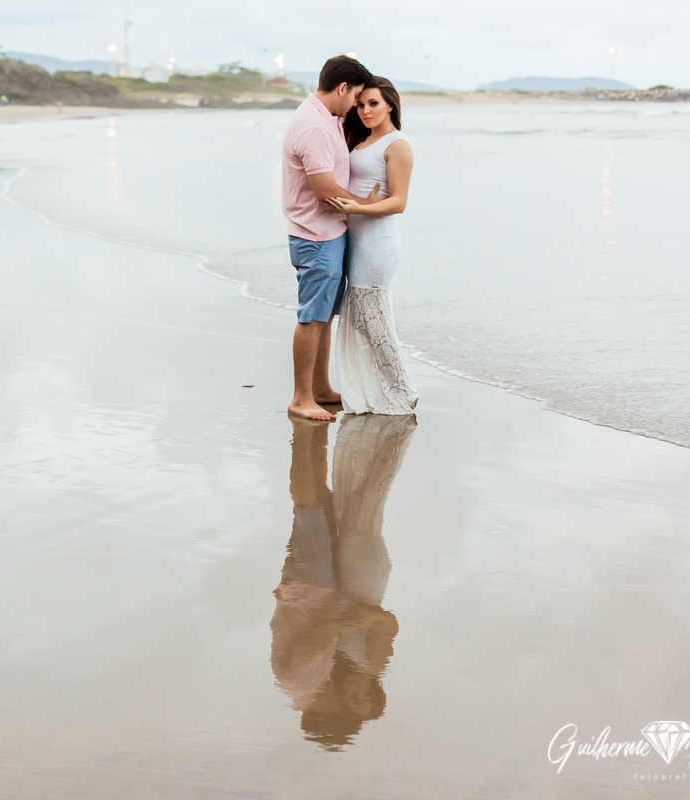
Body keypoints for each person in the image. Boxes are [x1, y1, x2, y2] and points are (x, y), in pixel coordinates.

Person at [271, 414, 416, 749]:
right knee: (348, 501)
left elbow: (318, 633)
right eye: (358, 698)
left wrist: (345, 615)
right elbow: (385, 623)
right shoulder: (367, 666)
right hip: (353, 577)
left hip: (320, 588)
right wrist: (362, 615)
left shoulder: (310, 682)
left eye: (349, 703)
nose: (349, 696)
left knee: (316, 510)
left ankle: (309, 437)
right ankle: (318, 435)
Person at [282, 55, 380, 422]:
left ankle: (320, 388)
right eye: (355, 97)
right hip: (316, 235)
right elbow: (324, 190)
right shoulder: (315, 127)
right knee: (312, 317)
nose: (356, 105)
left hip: (329, 232)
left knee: (324, 315)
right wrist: (369, 205)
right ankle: (301, 397)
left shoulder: (328, 118)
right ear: (342, 88)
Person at [326, 78, 419, 415]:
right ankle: (386, 388)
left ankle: (404, 391)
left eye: (373, 104)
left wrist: (359, 209)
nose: (365, 110)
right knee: (365, 319)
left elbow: (398, 202)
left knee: (373, 320)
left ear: (390, 105)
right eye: (361, 104)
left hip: (377, 244)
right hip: (358, 239)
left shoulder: (397, 145)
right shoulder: (366, 140)